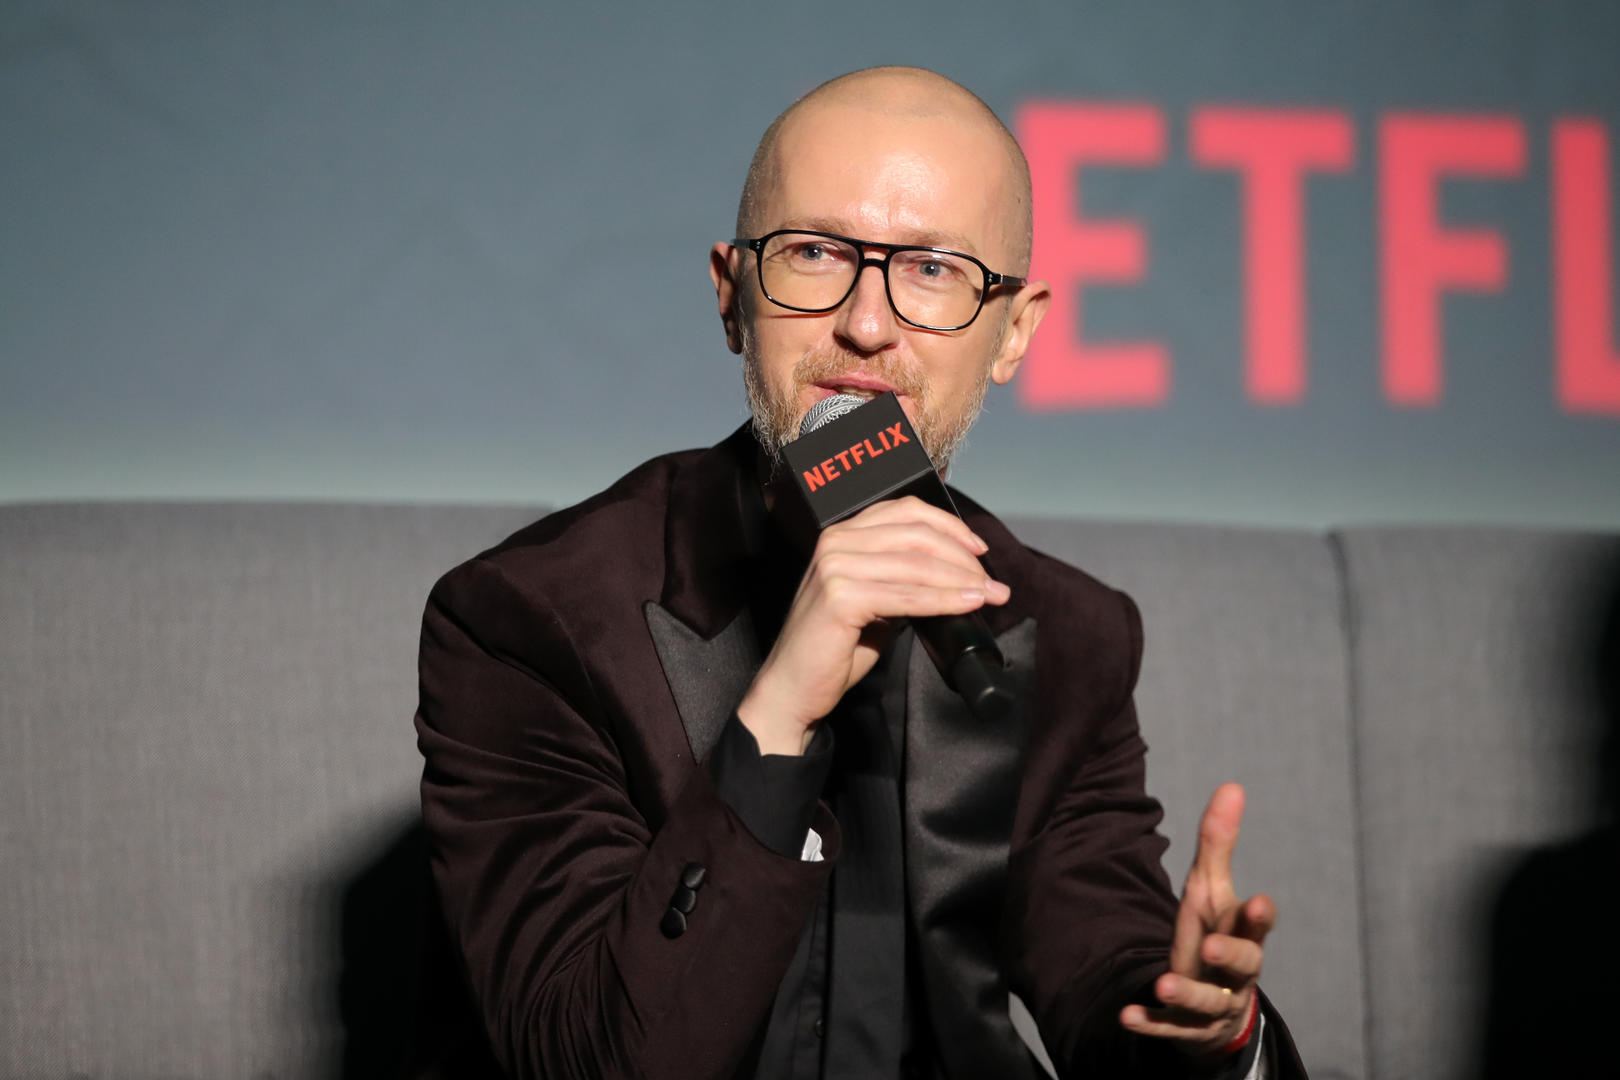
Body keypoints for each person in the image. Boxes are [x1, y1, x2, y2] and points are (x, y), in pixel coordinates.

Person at [415, 66, 1307, 1079]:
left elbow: (1109, 975)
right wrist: (777, 716)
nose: (868, 326)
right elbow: (585, 1058)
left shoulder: (1064, 633)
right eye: (814, 253)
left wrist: (1206, 1036)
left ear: (1014, 331)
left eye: (932, 268)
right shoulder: (528, 621)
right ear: (732, 297)